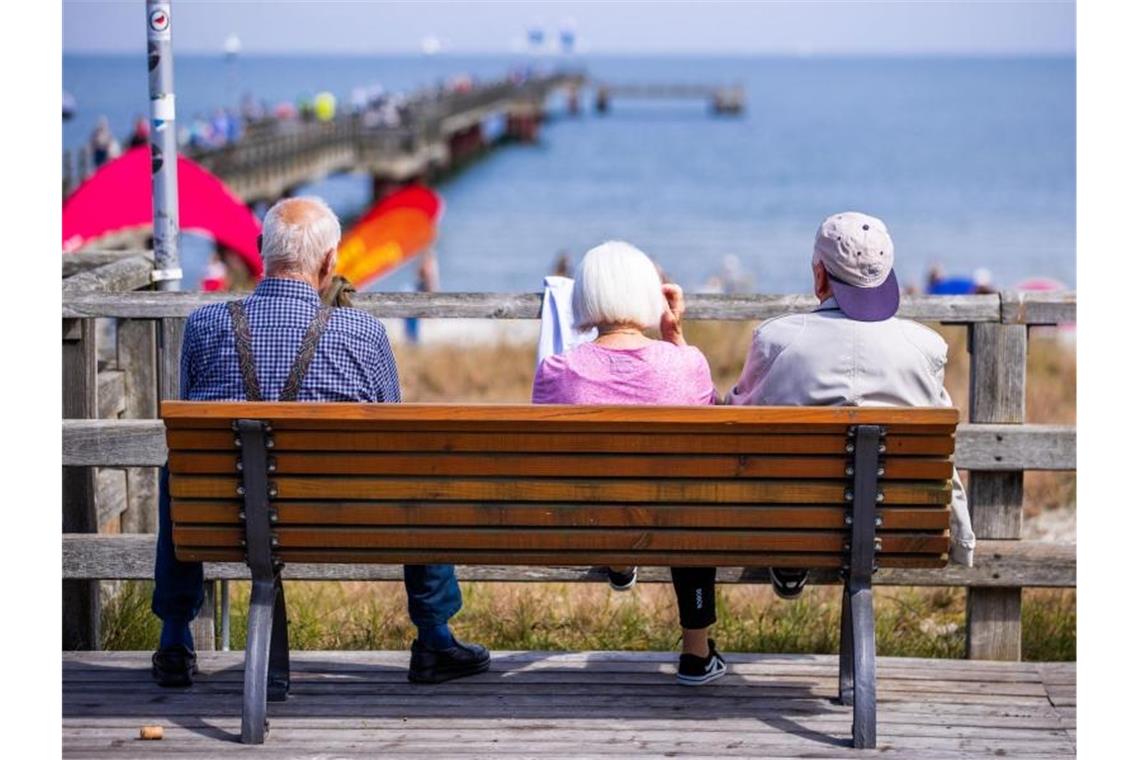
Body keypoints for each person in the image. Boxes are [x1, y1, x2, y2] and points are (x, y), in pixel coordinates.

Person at [151, 196, 489, 688]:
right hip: (342, 519)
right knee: (418, 469)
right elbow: (395, 438)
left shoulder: (204, 326)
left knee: (180, 470)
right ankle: (434, 636)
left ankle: (175, 636)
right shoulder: (365, 332)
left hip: (231, 519)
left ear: (262, 250)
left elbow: (191, 425)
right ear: (331, 261)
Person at [725, 211, 975, 599]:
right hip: (898, 526)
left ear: (820, 276)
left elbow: (737, 418)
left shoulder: (776, 339)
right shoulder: (925, 348)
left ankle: (792, 554)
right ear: (886, 274)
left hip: (789, 520)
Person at [531, 241, 727, 686]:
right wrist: (675, 335)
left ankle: (620, 557)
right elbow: (710, 421)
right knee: (687, 491)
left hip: (586, 517)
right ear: (650, 296)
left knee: (616, 484)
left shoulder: (557, 369)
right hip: (674, 519)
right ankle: (696, 653)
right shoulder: (686, 364)